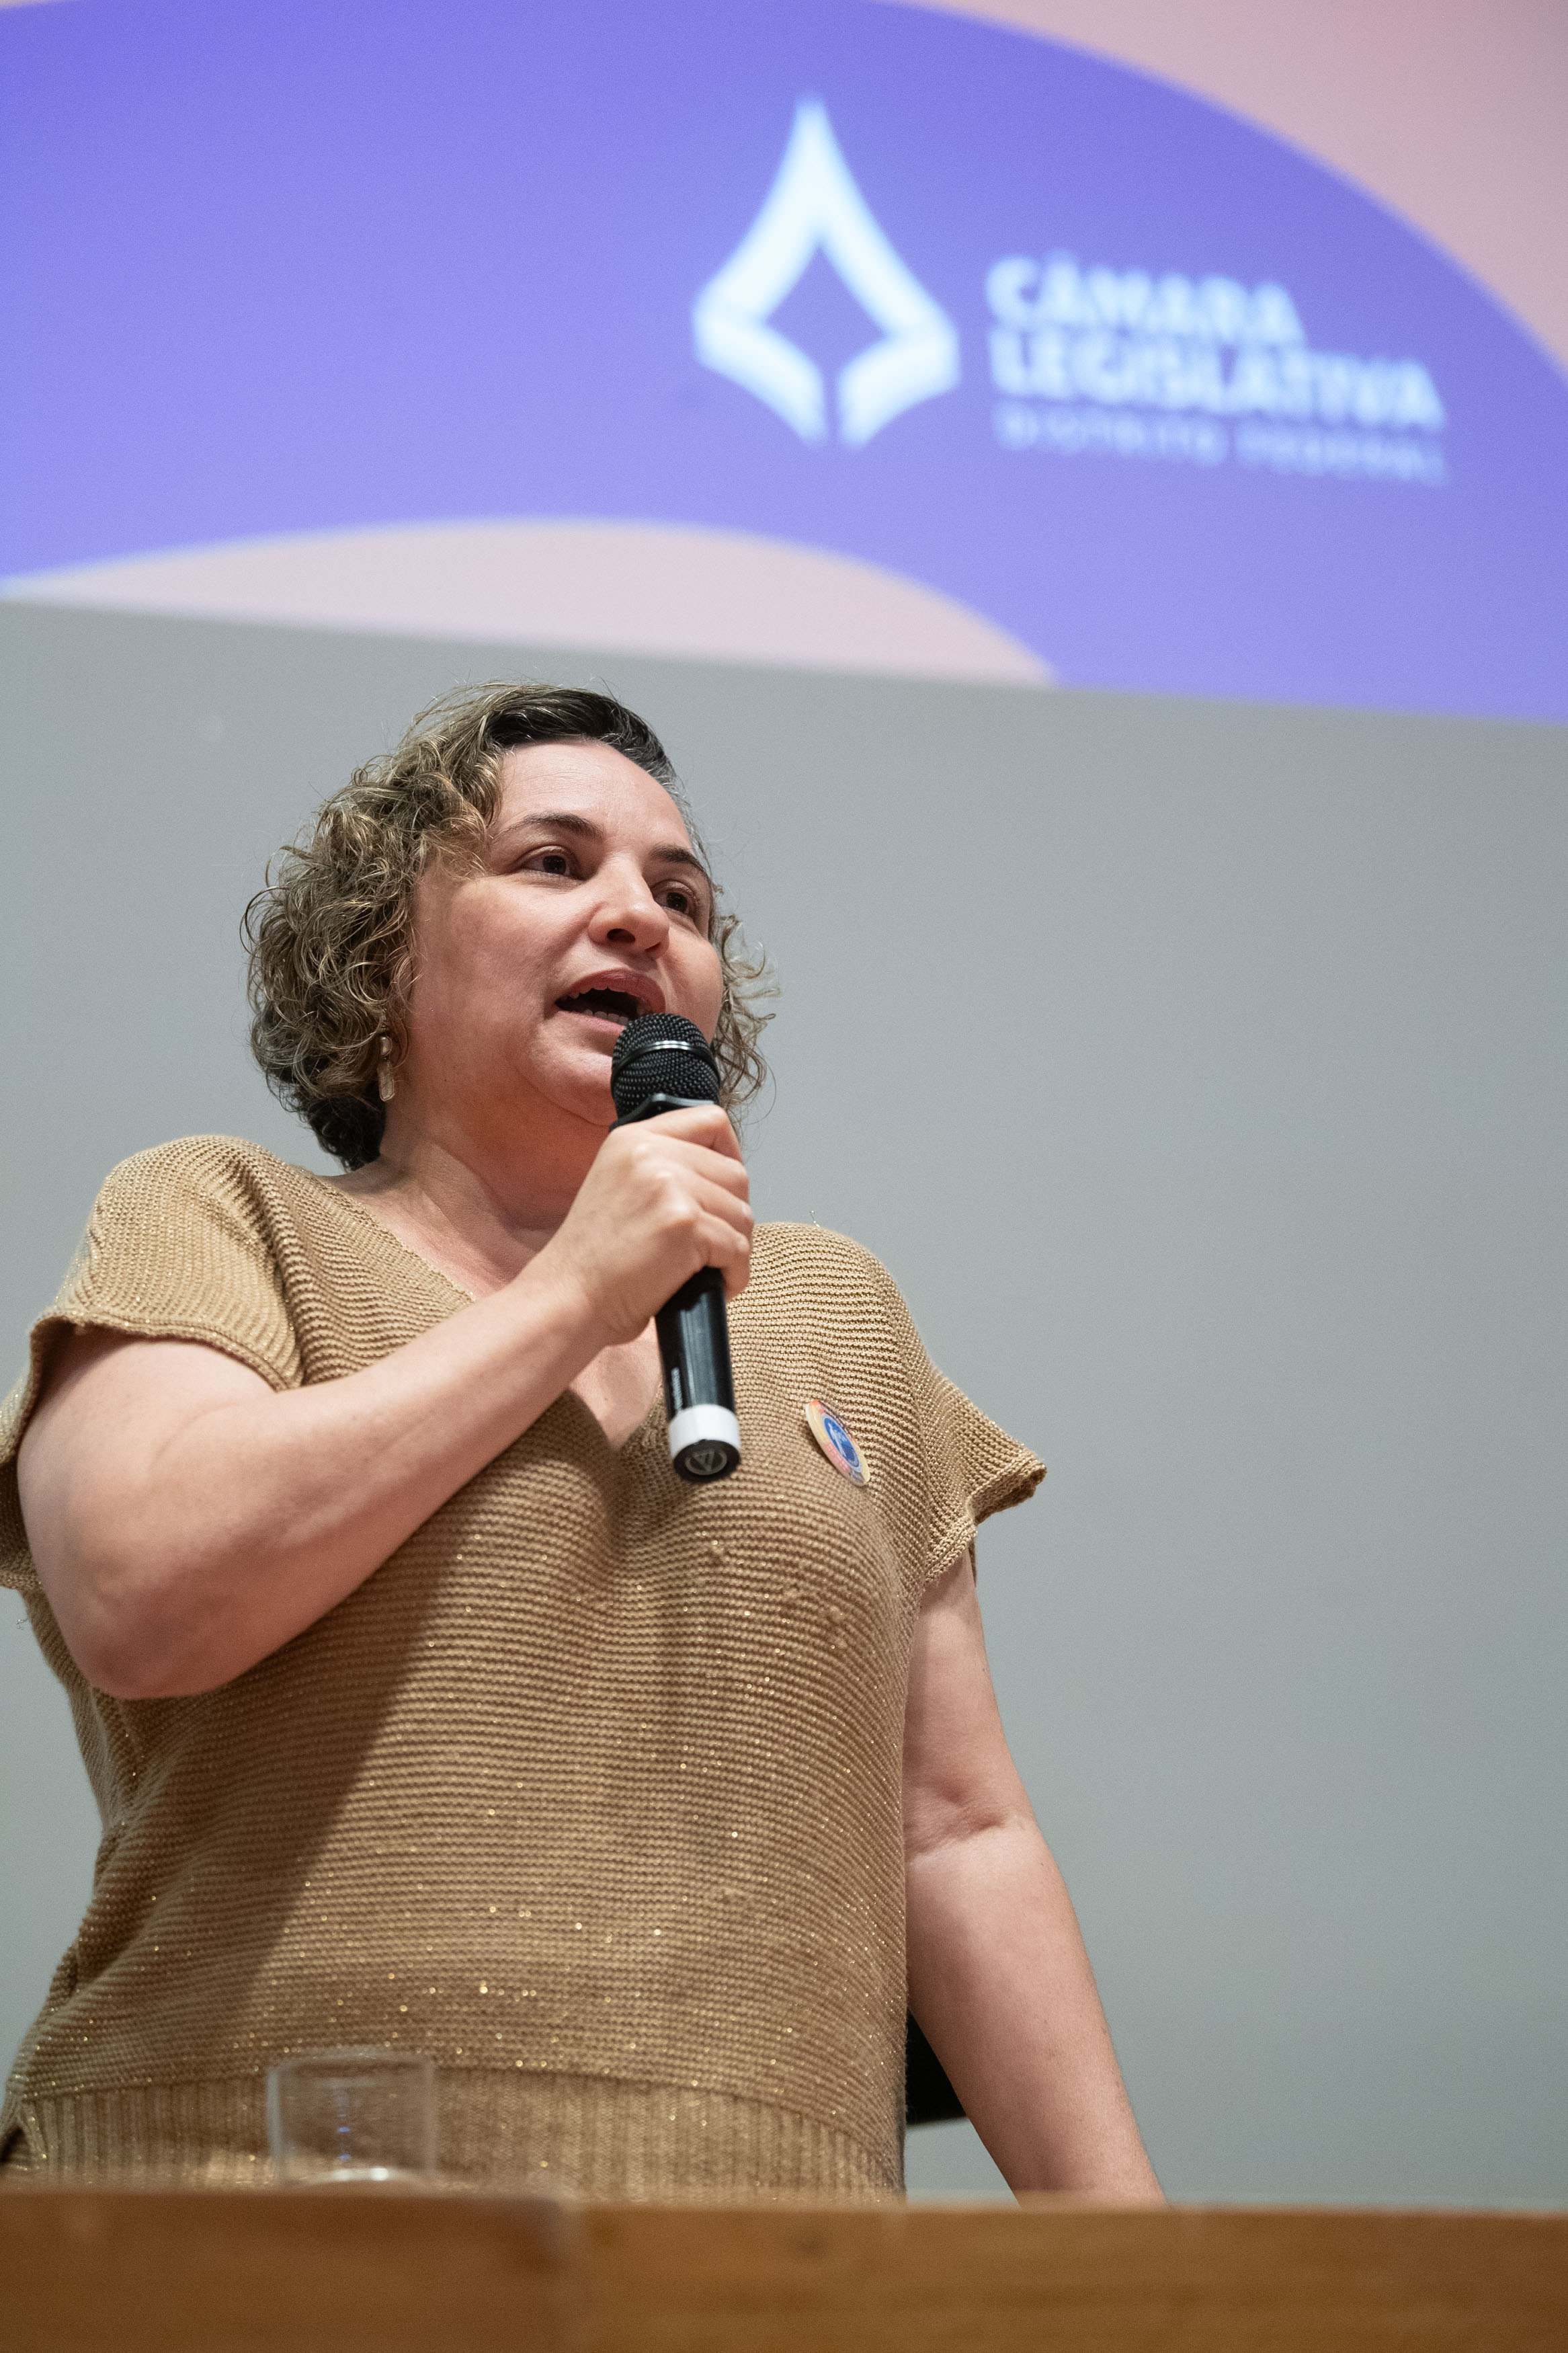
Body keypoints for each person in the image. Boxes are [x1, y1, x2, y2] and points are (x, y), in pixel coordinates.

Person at [0, 683, 1160, 2202]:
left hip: (774, 2244)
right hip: (238, 2205)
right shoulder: (225, 1216)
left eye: (681, 897)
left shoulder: (834, 1313)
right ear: (380, 956)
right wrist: (573, 1296)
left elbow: (954, 1830)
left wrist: (1146, 2269)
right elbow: (142, 1594)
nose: (635, 916)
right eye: (552, 863)